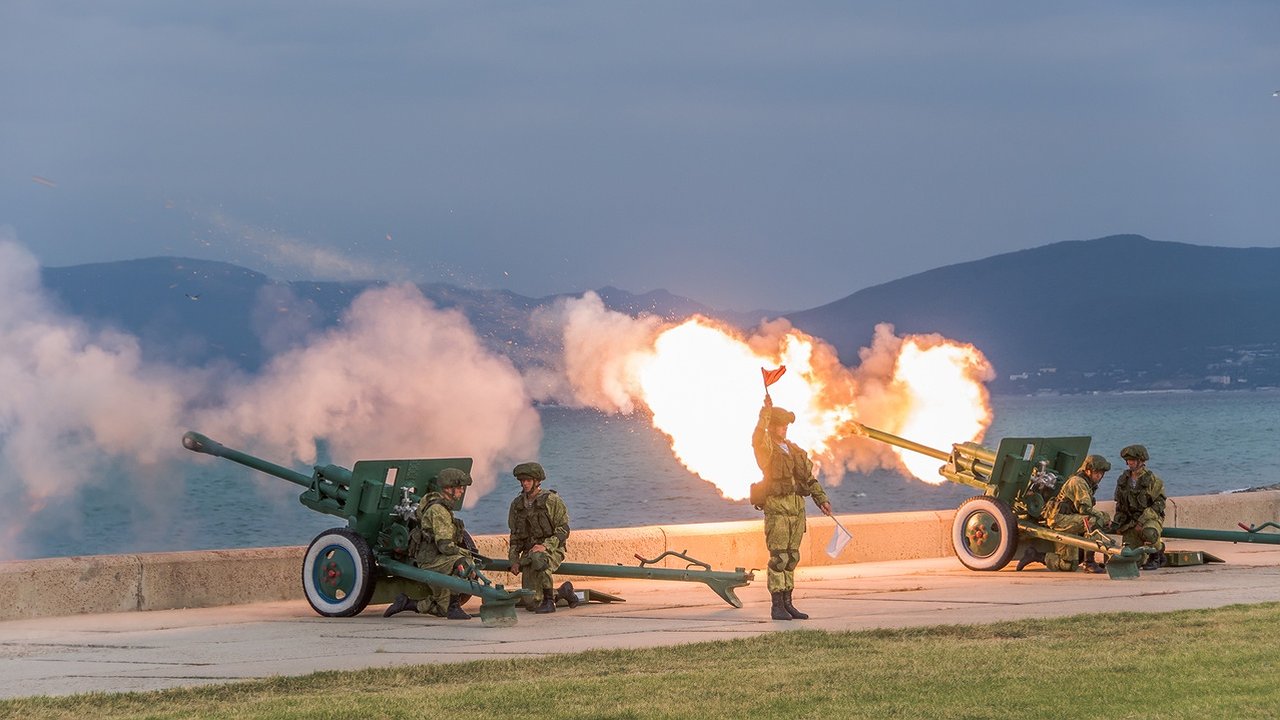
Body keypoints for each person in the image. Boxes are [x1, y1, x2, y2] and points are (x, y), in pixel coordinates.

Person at [751, 397, 833, 621]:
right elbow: (758, 438)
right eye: (780, 424)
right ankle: (777, 605)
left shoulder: (795, 451)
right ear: (771, 425)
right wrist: (765, 413)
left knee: (792, 558)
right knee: (778, 558)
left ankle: (788, 603)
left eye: (786, 424)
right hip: (778, 511)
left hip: (796, 511)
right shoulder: (767, 449)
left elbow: (809, 479)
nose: (784, 428)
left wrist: (821, 499)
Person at [384, 467, 477, 620]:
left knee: (441, 609)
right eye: (459, 488)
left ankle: (406, 603)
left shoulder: (442, 506)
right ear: (448, 489)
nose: (462, 491)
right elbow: (445, 546)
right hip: (431, 560)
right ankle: (454, 607)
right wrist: (467, 555)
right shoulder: (438, 510)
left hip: (437, 558)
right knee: (462, 562)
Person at [1019, 454, 1113, 573]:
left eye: (1101, 473)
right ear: (1088, 470)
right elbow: (1085, 509)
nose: (1099, 476)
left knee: (1068, 565)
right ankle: (1089, 563)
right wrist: (1104, 517)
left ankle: (1035, 555)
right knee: (1092, 521)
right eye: (1096, 472)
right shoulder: (1078, 482)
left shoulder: (1088, 483)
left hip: (1067, 518)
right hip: (1059, 519)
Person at [507, 461, 576, 613]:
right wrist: (514, 560)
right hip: (529, 554)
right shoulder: (517, 505)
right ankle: (563, 592)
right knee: (531, 602)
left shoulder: (551, 500)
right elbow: (515, 537)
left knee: (539, 557)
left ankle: (550, 602)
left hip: (552, 550)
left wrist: (546, 546)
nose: (525, 484)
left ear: (537, 482)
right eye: (522, 481)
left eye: (528, 481)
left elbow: (563, 529)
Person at [1112, 444, 1166, 570]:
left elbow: (1159, 504)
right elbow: (1120, 504)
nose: (1129, 463)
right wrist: (1119, 521)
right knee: (1132, 560)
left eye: (1132, 460)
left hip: (1149, 518)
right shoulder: (1123, 480)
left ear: (1141, 461)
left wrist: (1142, 522)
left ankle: (1156, 557)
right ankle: (1153, 551)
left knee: (1149, 533)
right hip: (1131, 520)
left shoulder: (1152, 480)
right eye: (1128, 460)